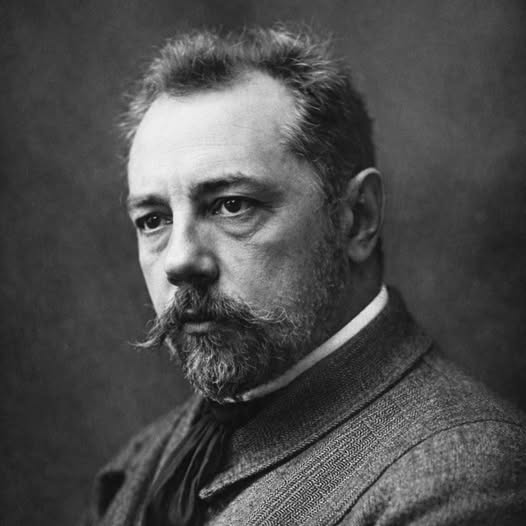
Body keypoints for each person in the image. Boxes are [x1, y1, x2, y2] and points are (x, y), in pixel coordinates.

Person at [83, 26, 526, 525]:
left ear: (357, 217)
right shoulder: (145, 460)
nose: (180, 261)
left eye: (232, 205)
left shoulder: (465, 477)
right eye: (153, 220)